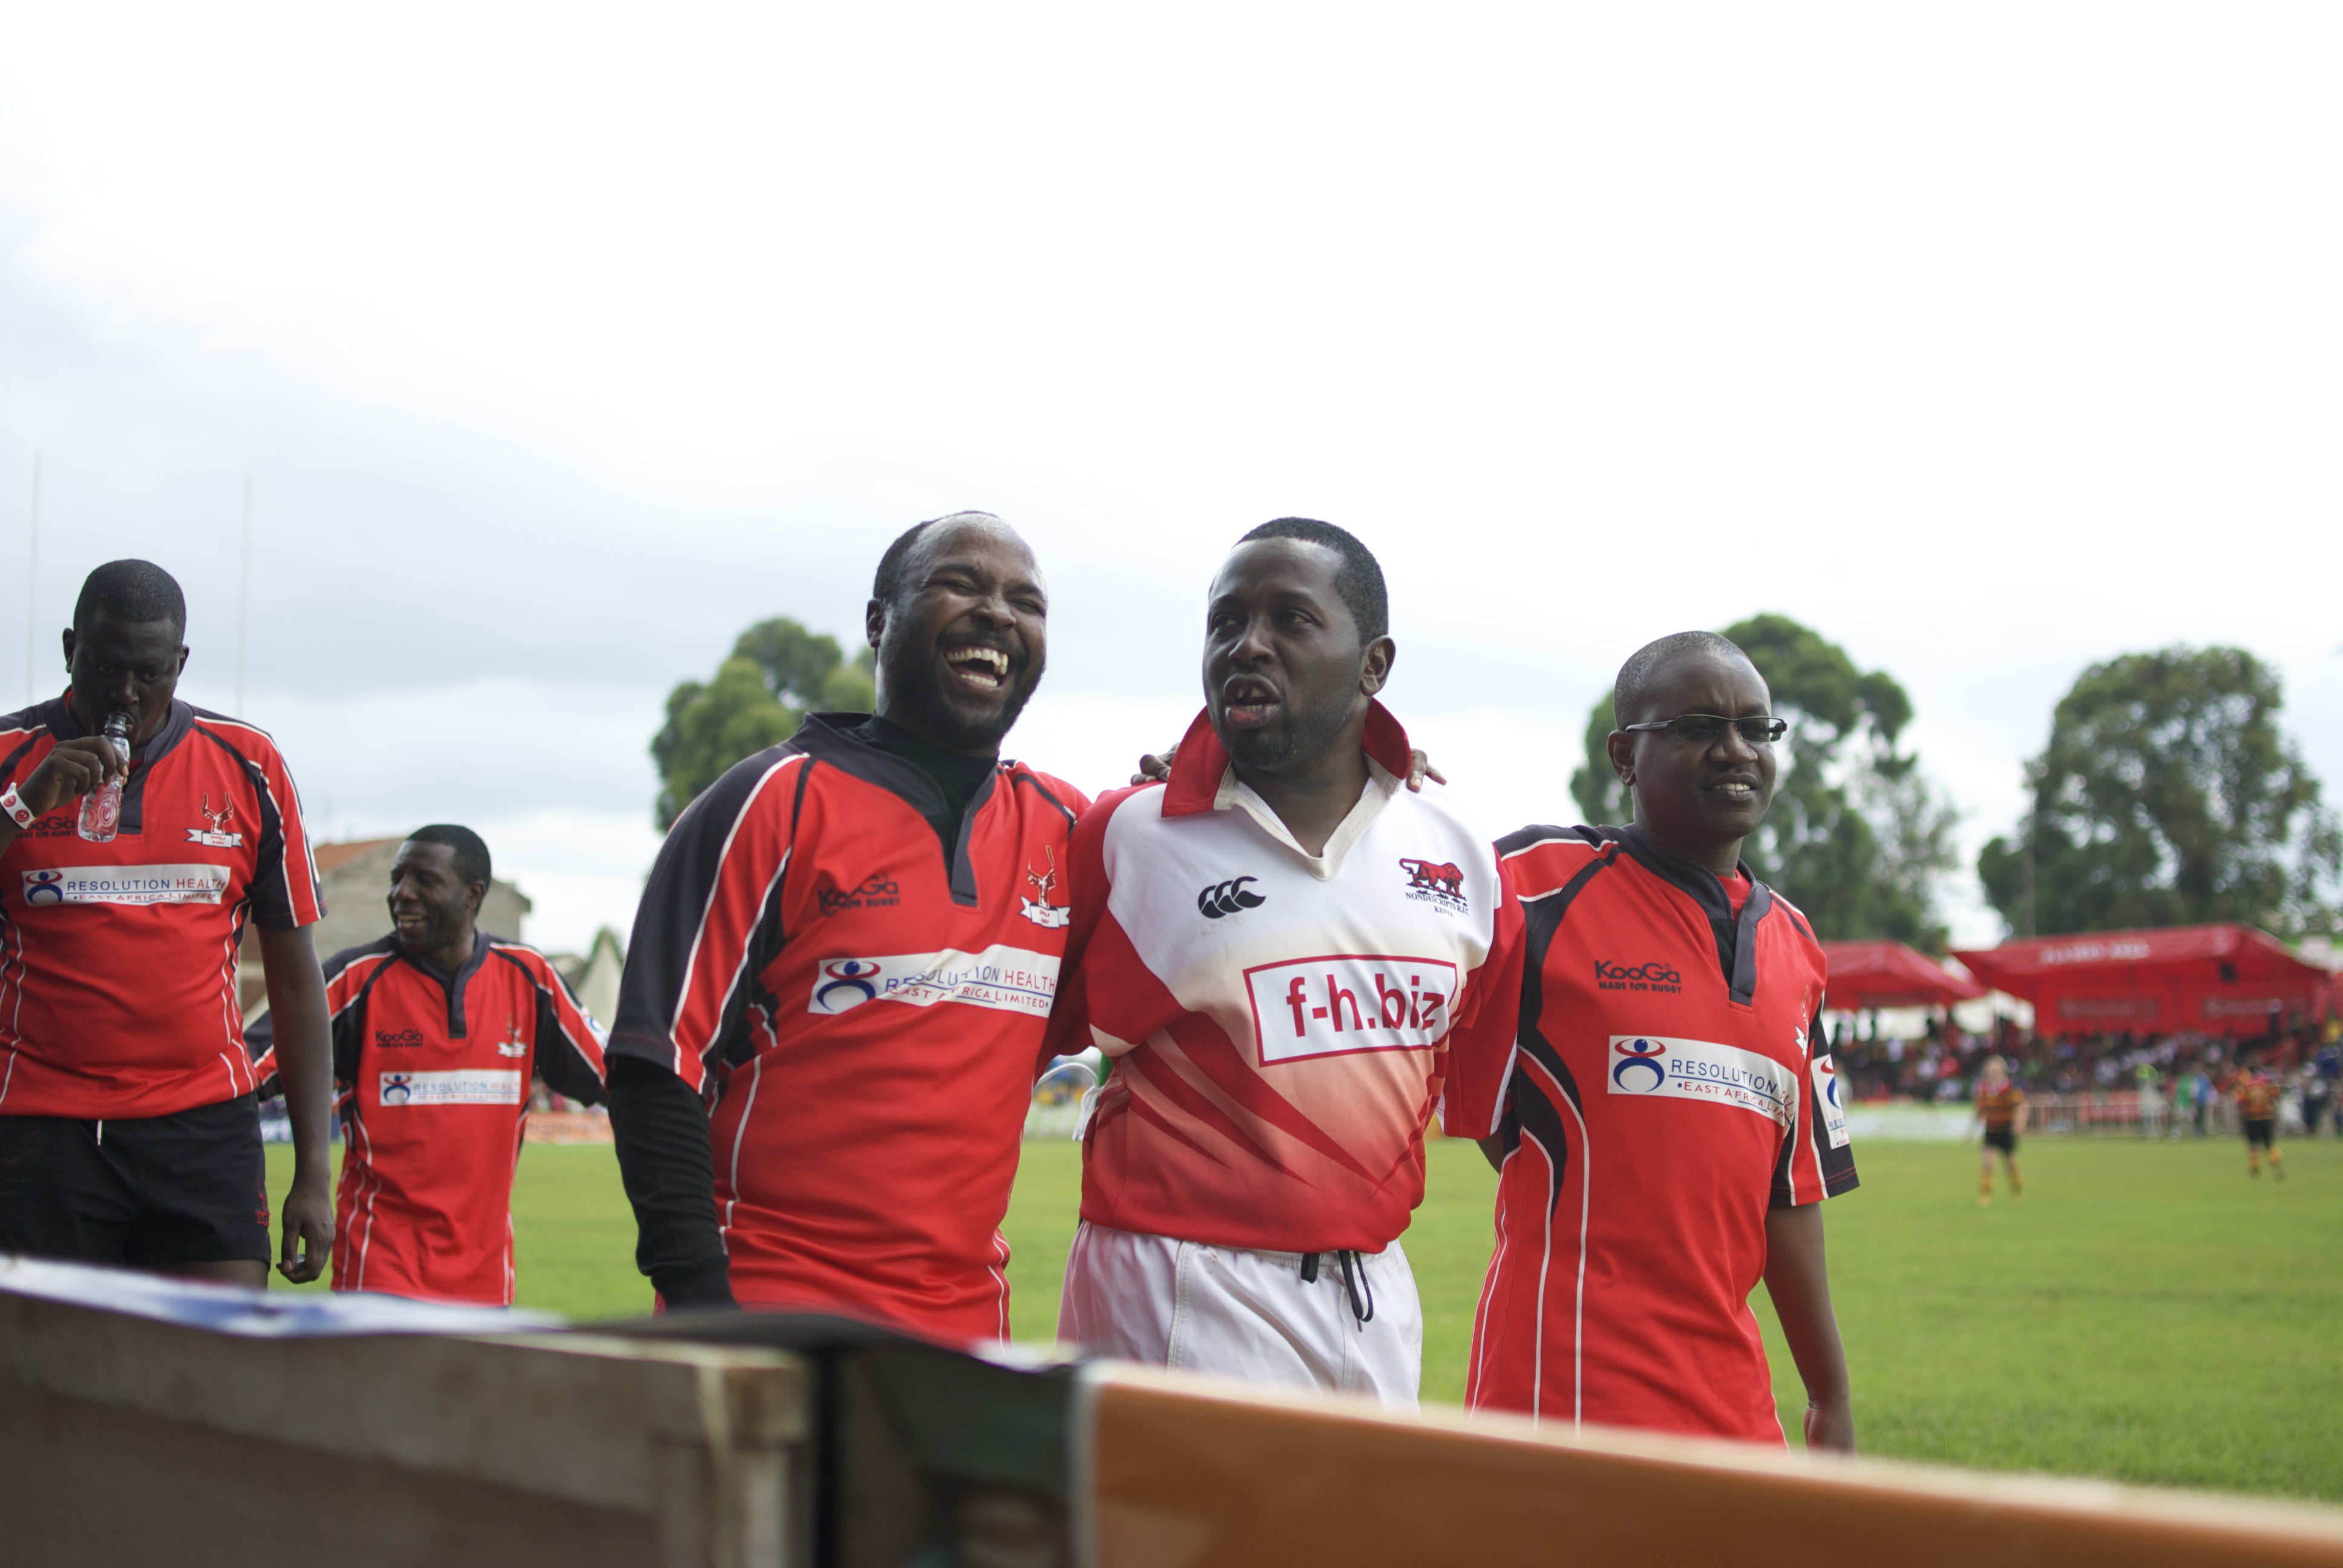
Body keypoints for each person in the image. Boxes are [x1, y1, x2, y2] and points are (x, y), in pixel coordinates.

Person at [1044, 519, 1521, 1408]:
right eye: (1225, 622)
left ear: (1374, 665)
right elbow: (1006, 1042)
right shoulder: (1130, 836)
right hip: (1176, 1287)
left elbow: (1490, 1103)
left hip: (1375, 1294)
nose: (1248, 645)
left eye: (1290, 619)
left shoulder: (1461, 854)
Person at [606, 512, 1089, 1336]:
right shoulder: (772, 802)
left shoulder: (1068, 830)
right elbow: (656, 1066)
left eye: (1026, 601)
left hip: (967, 1331)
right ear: (878, 621)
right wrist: (701, 1304)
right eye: (959, 584)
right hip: (770, 1311)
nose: (997, 614)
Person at [1452, 630, 1860, 1448]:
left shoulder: (1797, 946)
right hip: (1564, 1405)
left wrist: (1828, 1398)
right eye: (1698, 727)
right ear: (1623, 757)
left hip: (1735, 1417)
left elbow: (1788, 1196)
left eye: (1755, 728)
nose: (1735, 750)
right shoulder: (1529, 886)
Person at [0, 560, 333, 1285]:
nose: (125, 693)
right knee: (47, 1356)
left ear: (180, 664)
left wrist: (314, 1169)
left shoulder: (249, 764)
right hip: (41, 1123)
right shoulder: (10, 755)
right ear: (70, 650)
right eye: (104, 667)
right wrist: (23, 806)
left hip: (202, 1125)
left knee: (218, 1348)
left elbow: (295, 980)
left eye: (149, 673)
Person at [249, 826, 606, 1303]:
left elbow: (620, 1079)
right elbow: (242, 1073)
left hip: (485, 1287)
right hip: (378, 1276)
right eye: (397, 878)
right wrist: (302, 1184)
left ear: (473, 895)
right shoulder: (354, 980)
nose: (402, 893)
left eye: (424, 880)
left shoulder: (529, 979)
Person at [1973, 1056, 2025, 1205]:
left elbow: (2020, 1106)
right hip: (1991, 1129)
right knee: (1987, 1163)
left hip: (2006, 1129)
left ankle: (2017, 1191)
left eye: (1995, 1070)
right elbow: (1979, 1109)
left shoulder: (2010, 1088)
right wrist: (1973, 1128)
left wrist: (2019, 1125)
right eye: (1990, 1070)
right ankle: (1985, 1195)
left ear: (2003, 1071)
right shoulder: (1983, 1089)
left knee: (2010, 1164)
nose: (1992, 1073)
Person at [2233, 1059, 2284, 1180]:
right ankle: (2277, 1165)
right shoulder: (2267, 1082)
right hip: (2267, 1117)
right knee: (2269, 1145)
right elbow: (2276, 1095)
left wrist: (2241, 1119)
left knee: (2253, 1145)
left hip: (2252, 1118)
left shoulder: (2246, 1084)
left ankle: (2254, 1168)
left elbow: (2241, 1101)